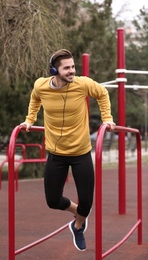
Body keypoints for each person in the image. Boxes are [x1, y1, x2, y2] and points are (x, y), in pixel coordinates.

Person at [20, 49, 115, 251]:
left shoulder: (82, 84)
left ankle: (78, 225)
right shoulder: (41, 85)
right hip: (56, 153)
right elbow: (35, 98)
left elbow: (102, 93)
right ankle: (77, 212)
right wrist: (30, 119)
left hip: (81, 152)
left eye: (73, 66)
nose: (72, 71)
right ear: (55, 70)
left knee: (87, 201)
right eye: (67, 68)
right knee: (53, 200)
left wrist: (107, 118)